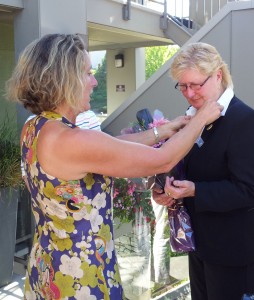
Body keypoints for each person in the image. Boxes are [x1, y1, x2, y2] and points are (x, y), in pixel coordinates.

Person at [5, 34, 222, 300]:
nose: (94, 81)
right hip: (79, 277)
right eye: (87, 73)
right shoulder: (70, 140)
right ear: (64, 80)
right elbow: (162, 160)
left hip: (49, 264)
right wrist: (200, 119)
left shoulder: (36, 127)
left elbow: (109, 148)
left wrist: (162, 131)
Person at [152, 42, 254, 300]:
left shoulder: (244, 119)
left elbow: (251, 189)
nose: (190, 93)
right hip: (200, 244)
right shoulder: (192, 116)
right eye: (183, 86)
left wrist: (195, 190)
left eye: (196, 85)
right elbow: (188, 167)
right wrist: (167, 189)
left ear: (218, 75)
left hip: (232, 249)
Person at [21, 110, 101, 189]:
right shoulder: (32, 124)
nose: (90, 95)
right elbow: (26, 171)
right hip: (84, 197)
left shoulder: (31, 124)